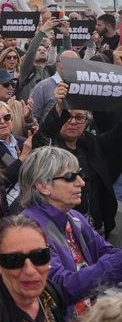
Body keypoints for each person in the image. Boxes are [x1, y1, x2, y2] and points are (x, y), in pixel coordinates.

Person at [20, 146, 122, 319]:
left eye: (79, 174)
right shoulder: (28, 229)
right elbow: (61, 287)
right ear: (43, 186)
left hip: (89, 318)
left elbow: (107, 252)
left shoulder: (73, 216)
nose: (81, 182)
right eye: (70, 177)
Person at [38, 82, 122, 236]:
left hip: (96, 230)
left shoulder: (92, 143)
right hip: (61, 232)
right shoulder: (48, 147)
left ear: (87, 122)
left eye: (79, 117)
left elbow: (117, 135)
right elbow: (44, 133)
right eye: (67, 117)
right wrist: (59, 106)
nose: (73, 122)